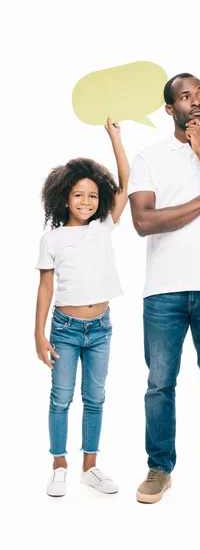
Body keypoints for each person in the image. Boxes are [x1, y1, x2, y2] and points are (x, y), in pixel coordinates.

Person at [128, 73, 200, 505]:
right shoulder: (148, 157)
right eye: (185, 95)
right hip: (163, 291)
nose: (195, 101)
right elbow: (143, 222)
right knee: (159, 385)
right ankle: (159, 467)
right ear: (169, 109)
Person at [35, 119, 130, 497]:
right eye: (78, 195)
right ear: (64, 199)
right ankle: (59, 464)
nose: (86, 202)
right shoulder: (52, 239)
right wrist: (38, 335)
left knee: (96, 398)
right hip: (65, 329)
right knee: (61, 397)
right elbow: (45, 288)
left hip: (101, 328)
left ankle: (90, 466)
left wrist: (115, 137)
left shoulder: (104, 226)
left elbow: (125, 184)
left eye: (92, 196)